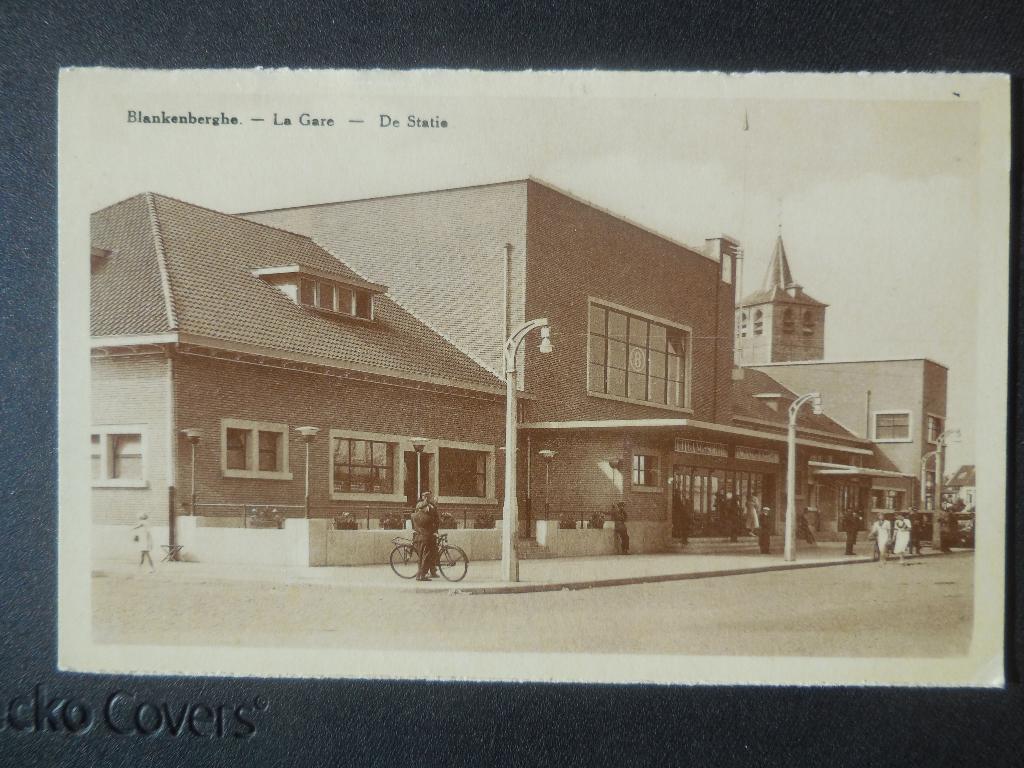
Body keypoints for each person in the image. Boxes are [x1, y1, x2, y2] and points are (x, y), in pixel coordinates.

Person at [412, 491, 440, 581]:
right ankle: (422, 574)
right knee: (426, 554)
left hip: (428, 533)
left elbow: (436, 518)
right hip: (425, 534)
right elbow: (429, 518)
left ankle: (432, 570)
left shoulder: (431, 506)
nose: (428, 498)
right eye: (426, 496)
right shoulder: (421, 505)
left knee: (433, 552)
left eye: (428, 496)